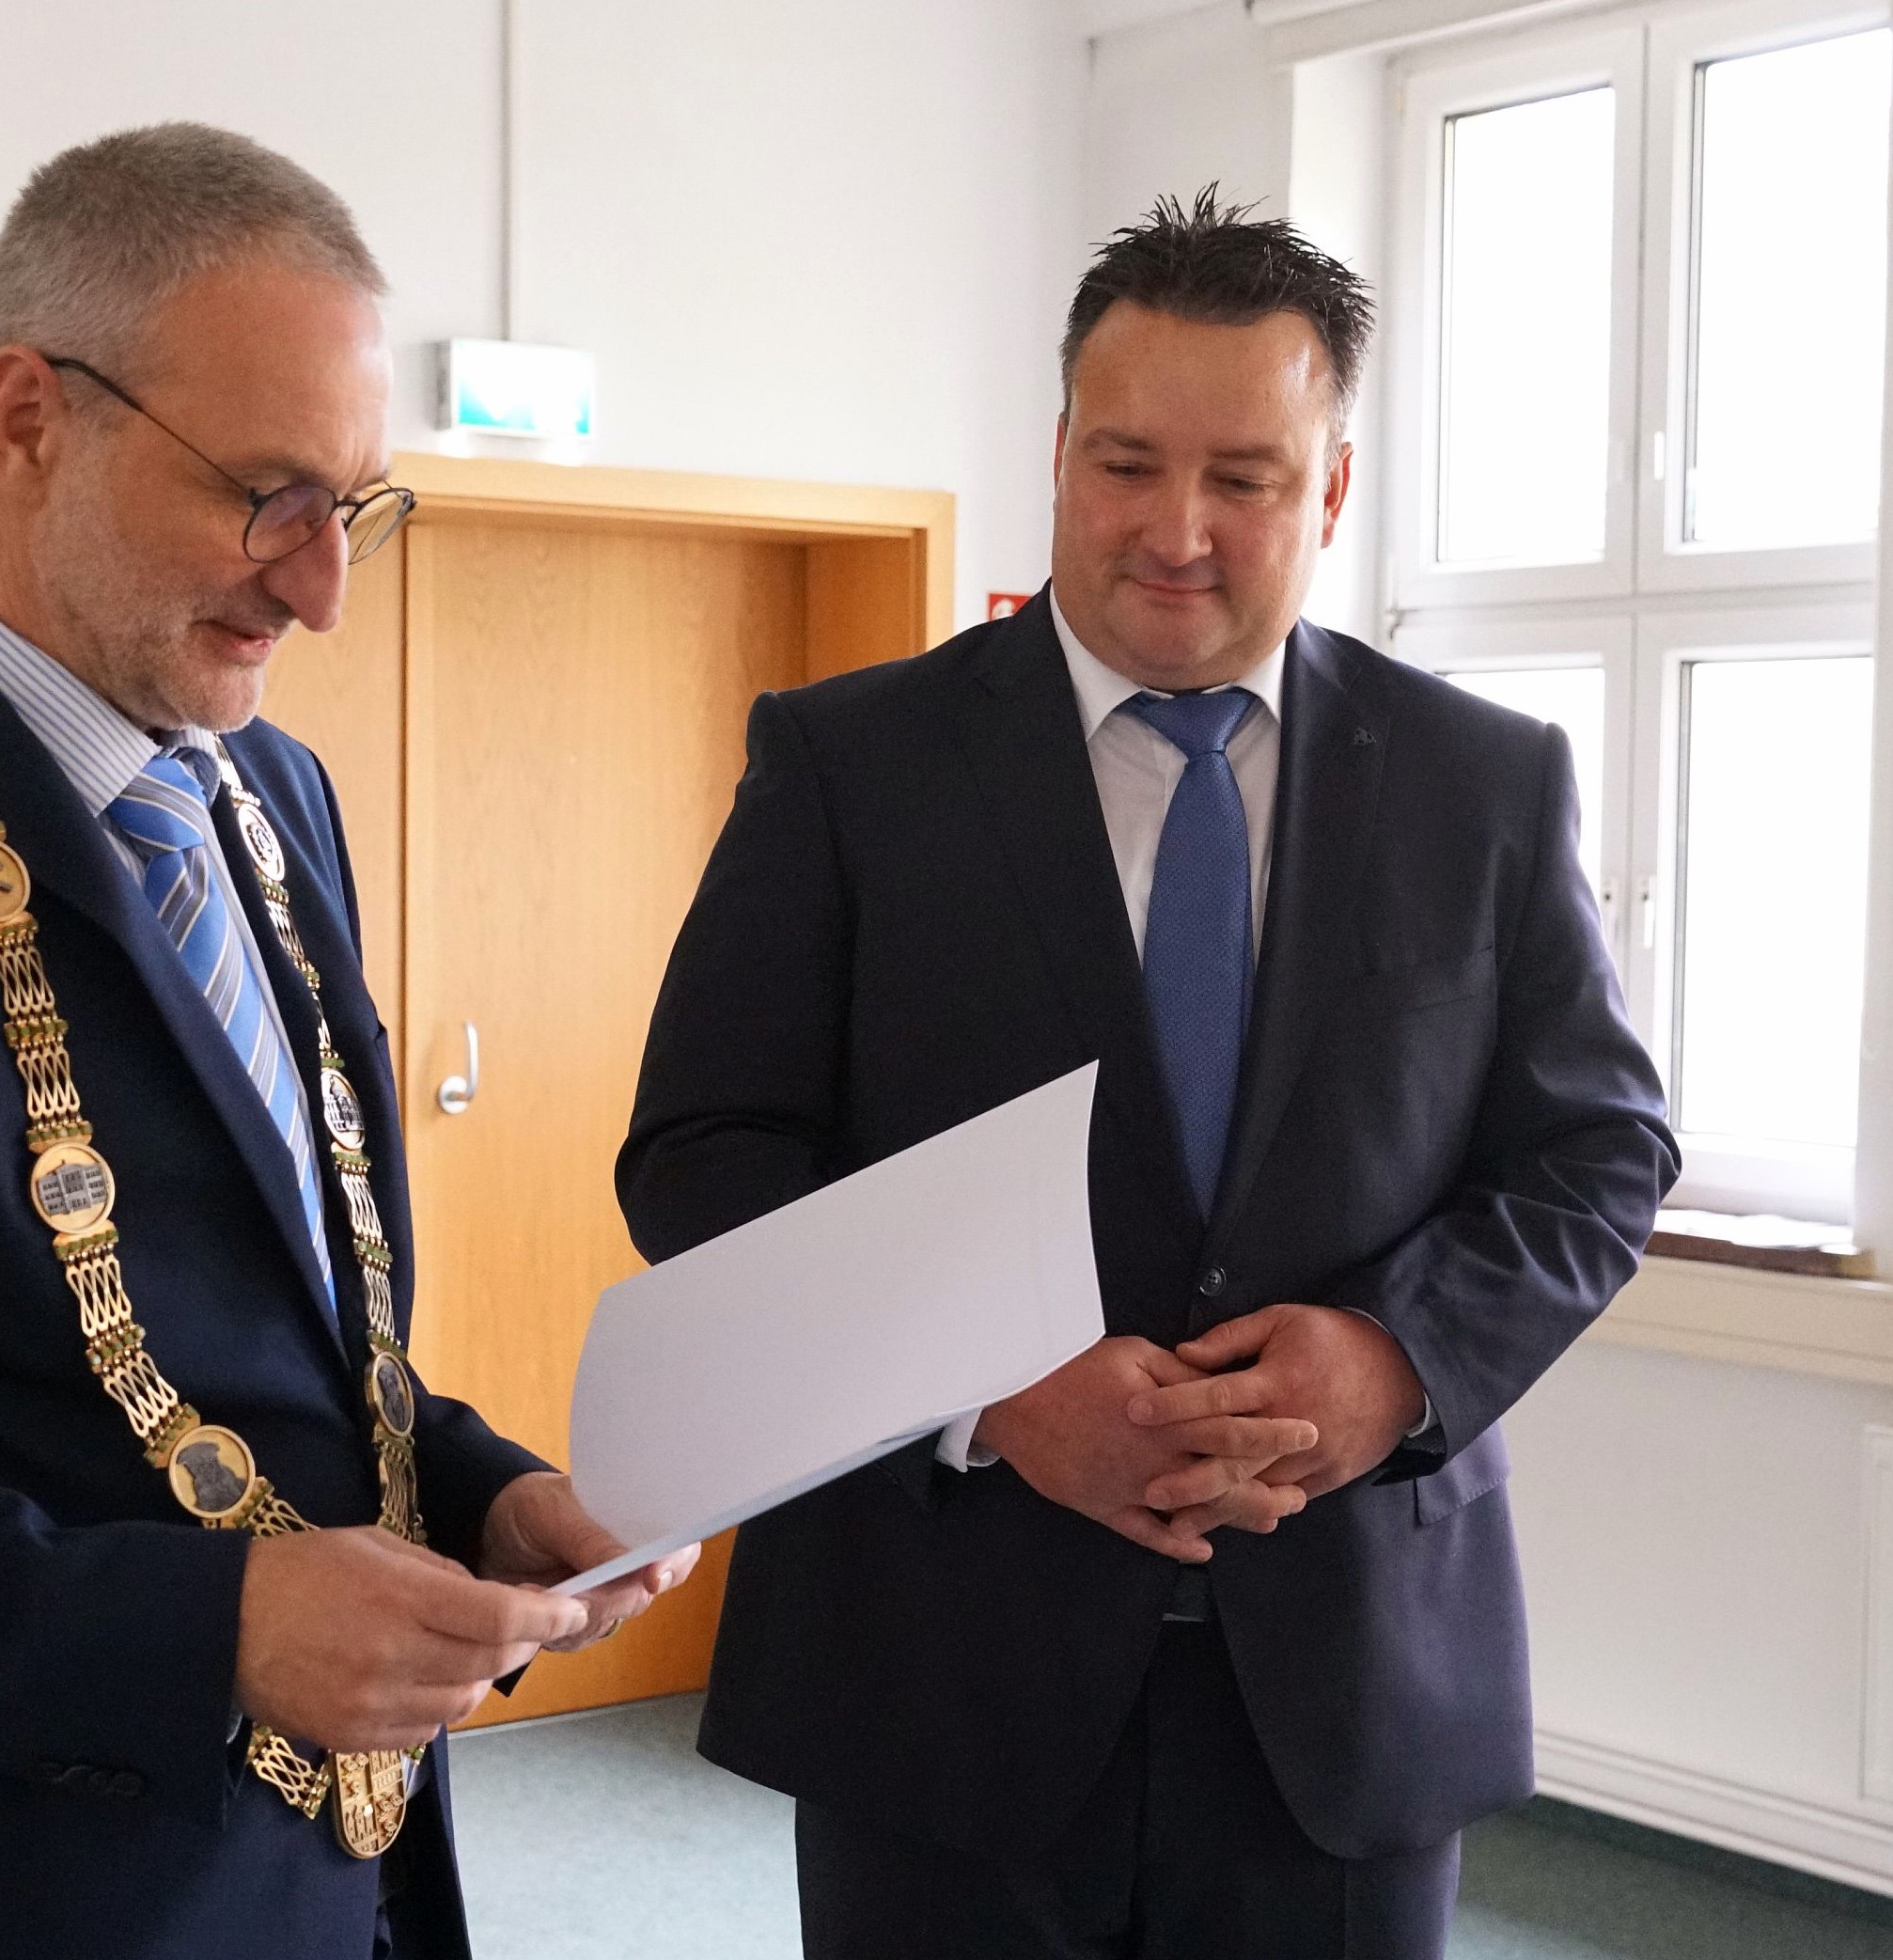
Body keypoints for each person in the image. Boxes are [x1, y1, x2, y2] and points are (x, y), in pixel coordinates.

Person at [0, 123, 690, 1960]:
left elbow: (273, 1320)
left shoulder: (271, 794)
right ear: (27, 418)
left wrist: (492, 1492)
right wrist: (216, 1627)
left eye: (355, 503)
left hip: (349, 1875)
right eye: (265, 495)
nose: (323, 587)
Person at [616, 189, 1676, 1959]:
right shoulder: (848, 764)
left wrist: (1396, 1358)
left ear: (1329, 490)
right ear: (1055, 453)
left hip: (1346, 1685)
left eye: (1244, 478)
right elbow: (702, 1159)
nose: (1174, 530)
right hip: (939, 1676)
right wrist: (992, 1388)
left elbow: (1598, 1151)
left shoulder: (1483, 783)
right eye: (1124, 463)